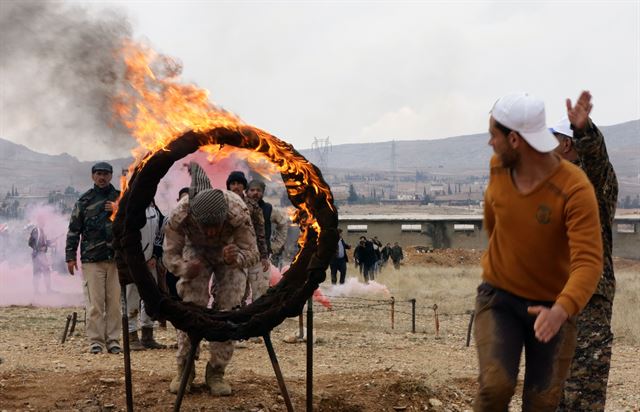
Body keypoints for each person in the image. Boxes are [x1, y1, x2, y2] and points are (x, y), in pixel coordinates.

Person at [474, 92, 603, 411]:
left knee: (542, 401)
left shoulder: (574, 188)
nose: (490, 144)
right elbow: (494, 222)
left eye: (494, 136)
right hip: (499, 299)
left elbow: (588, 263)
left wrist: (561, 310)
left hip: (554, 308)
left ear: (515, 139)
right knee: (495, 387)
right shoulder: (498, 168)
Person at [163, 162, 259, 396]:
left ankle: (216, 370)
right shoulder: (179, 214)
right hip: (195, 252)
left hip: (230, 252)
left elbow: (253, 252)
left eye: (216, 226)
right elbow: (169, 254)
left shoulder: (238, 211)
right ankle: (185, 368)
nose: (211, 233)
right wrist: (184, 268)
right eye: (206, 227)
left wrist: (236, 258)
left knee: (229, 306)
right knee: (190, 306)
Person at [552, 91, 618, 412]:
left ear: (566, 144)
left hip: (588, 304)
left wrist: (585, 132)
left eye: (551, 139)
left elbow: (597, 163)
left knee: (581, 395)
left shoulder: (593, 184)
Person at [65, 162, 122, 355]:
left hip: (115, 259)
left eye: (106, 174)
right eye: (98, 173)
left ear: (111, 176)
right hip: (92, 259)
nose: (102, 177)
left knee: (114, 304)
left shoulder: (121, 198)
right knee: (95, 304)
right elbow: (74, 230)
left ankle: (113, 341)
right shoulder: (85, 200)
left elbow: (133, 223)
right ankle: (96, 342)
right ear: (93, 176)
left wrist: (117, 210)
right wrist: (70, 257)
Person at [125, 200, 166, 351]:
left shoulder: (155, 209)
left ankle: (148, 335)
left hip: (151, 262)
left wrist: (155, 255)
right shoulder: (130, 206)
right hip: (133, 262)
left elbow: (159, 234)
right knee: (132, 297)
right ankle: (131, 336)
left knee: (150, 297)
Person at [225, 172, 268, 303]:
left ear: (244, 186)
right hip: (231, 253)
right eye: (233, 184)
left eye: (239, 184)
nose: (236, 186)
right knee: (234, 291)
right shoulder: (222, 203)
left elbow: (261, 232)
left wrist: (264, 256)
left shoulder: (253, 206)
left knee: (258, 290)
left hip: (251, 252)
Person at [246, 179, 289, 298]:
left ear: (263, 193)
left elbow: (283, 223)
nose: (255, 193)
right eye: (252, 190)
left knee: (260, 292)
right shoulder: (239, 207)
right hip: (242, 256)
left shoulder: (268, 209)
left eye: (258, 190)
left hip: (261, 258)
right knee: (240, 294)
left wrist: (274, 246)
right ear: (247, 192)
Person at [28, 215, 52, 294]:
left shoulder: (41, 230)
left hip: (41, 254)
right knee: (37, 273)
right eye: (43, 221)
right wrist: (38, 249)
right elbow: (30, 243)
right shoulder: (36, 230)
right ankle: (37, 291)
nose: (44, 222)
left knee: (46, 271)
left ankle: (48, 290)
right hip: (37, 255)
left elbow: (43, 243)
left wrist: (49, 243)